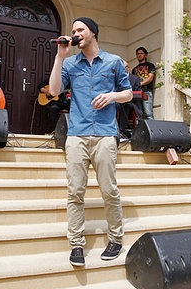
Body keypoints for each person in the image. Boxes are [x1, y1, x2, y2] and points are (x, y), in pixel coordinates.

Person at [48, 17, 133, 267]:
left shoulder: (114, 62)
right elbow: (53, 91)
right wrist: (59, 57)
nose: (75, 33)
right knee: (75, 192)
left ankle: (116, 239)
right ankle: (76, 244)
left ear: (93, 33)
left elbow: (128, 93)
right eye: (73, 30)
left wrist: (112, 95)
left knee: (109, 191)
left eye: (80, 29)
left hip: (105, 135)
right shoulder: (70, 63)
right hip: (76, 135)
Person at [117, 60, 143, 137]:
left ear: (127, 68)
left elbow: (138, 93)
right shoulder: (118, 79)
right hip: (119, 101)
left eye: (123, 67)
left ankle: (121, 130)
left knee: (126, 106)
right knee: (112, 105)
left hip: (132, 102)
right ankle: (113, 129)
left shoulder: (135, 79)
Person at [131, 47, 155, 119]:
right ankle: (139, 130)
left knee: (148, 114)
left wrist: (140, 84)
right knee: (139, 115)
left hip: (146, 91)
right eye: (138, 54)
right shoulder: (134, 69)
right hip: (137, 94)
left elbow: (150, 78)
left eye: (141, 53)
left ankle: (151, 130)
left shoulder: (150, 65)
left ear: (146, 55)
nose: (139, 55)